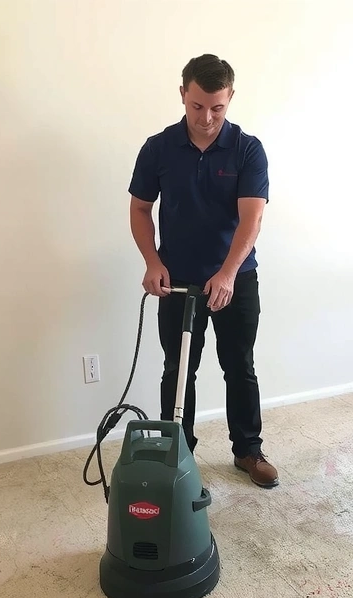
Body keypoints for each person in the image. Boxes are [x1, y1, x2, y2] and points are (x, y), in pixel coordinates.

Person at [127, 54, 278, 489]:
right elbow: (140, 208)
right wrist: (153, 262)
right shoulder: (158, 148)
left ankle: (248, 450)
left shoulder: (248, 149)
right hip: (177, 284)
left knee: (239, 366)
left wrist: (228, 274)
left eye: (217, 107)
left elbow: (252, 219)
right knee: (177, 370)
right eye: (197, 106)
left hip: (235, 280)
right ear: (183, 95)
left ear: (230, 98)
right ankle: (179, 455)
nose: (207, 117)